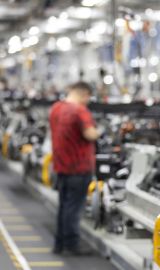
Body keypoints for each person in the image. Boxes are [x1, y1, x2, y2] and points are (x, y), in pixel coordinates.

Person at [49, 82, 100, 255]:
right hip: (79, 167)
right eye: (88, 97)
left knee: (64, 205)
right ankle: (72, 244)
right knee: (74, 208)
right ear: (84, 94)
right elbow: (90, 134)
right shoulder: (80, 110)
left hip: (61, 165)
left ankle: (59, 243)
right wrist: (99, 131)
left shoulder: (55, 108)